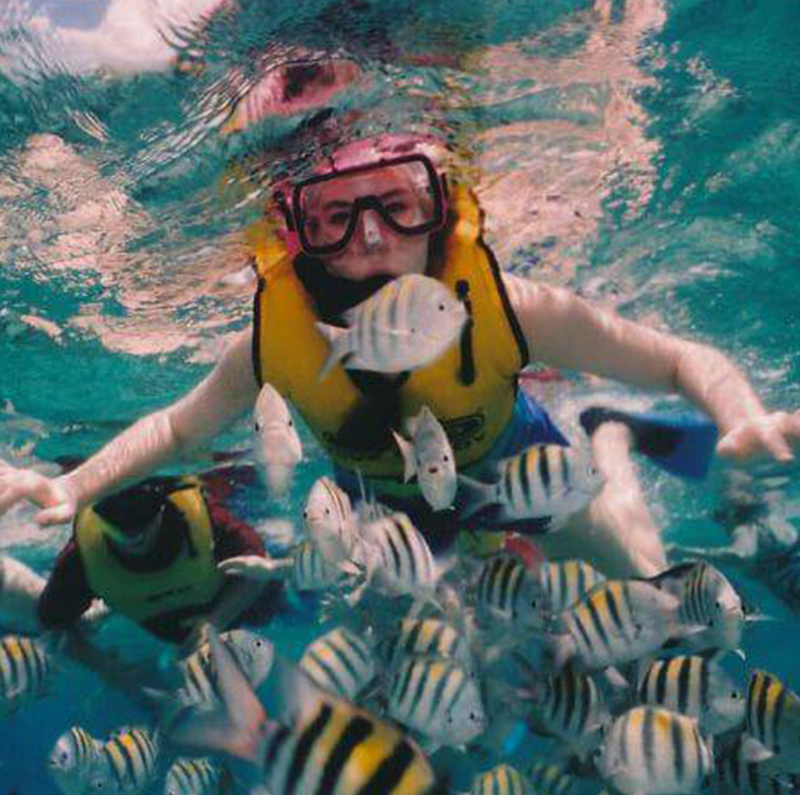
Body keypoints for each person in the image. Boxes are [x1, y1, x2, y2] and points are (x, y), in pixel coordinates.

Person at [1, 132, 799, 580]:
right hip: (382, 507)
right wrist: (72, 486)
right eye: (335, 218)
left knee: (639, 576)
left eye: (397, 204)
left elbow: (676, 361)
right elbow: (178, 429)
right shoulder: (274, 343)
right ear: (297, 240)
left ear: (438, 212)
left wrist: (738, 414)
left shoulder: (512, 309)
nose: (373, 236)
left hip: (518, 458)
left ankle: (609, 442)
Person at [36, 474, 282, 689]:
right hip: (177, 640)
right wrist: (104, 666)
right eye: (113, 508)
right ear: (96, 507)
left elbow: (259, 563)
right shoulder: (82, 558)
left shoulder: (205, 517)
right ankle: (106, 607)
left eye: (142, 505)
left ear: (163, 500)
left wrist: (216, 621)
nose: (131, 524)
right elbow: (53, 623)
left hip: (249, 606)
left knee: (282, 596)